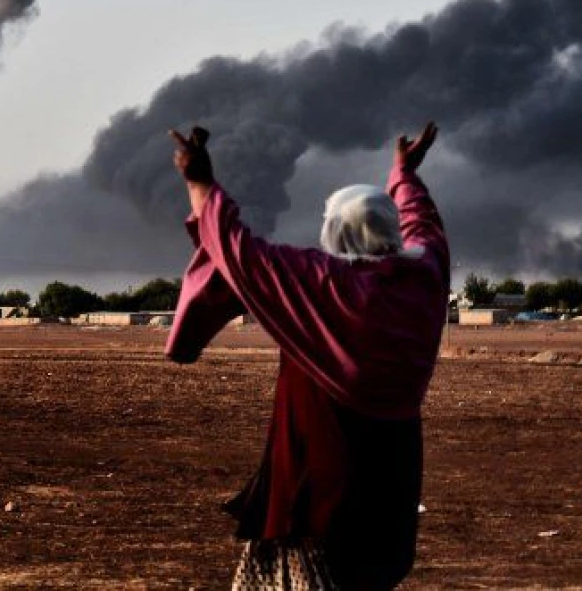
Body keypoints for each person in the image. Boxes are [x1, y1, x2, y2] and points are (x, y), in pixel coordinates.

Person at [165, 123, 448, 590]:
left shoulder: (322, 284)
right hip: (393, 479)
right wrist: (405, 176)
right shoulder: (425, 278)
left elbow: (239, 252)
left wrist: (199, 183)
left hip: (319, 483)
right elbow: (424, 223)